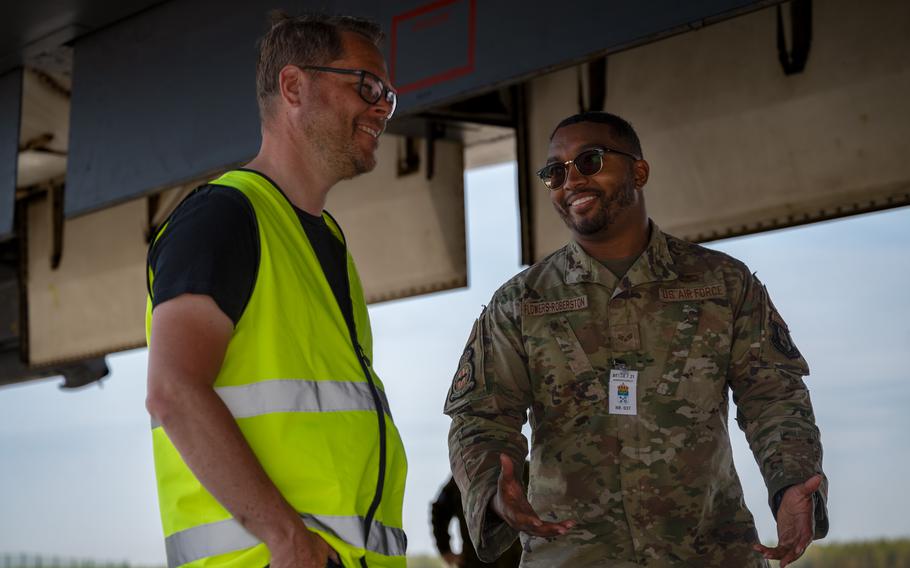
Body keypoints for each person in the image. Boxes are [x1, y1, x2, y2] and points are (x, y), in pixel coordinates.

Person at [444, 111, 828, 568]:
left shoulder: (722, 284)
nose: (571, 181)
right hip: (574, 557)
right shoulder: (521, 303)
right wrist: (494, 490)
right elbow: (479, 415)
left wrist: (791, 483)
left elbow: (774, 395)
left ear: (639, 171)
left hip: (709, 555)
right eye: (555, 172)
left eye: (589, 161)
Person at [145, 12, 407, 568]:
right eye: (367, 85)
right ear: (293, 86)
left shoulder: (326, 239)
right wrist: (287, 539)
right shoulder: (222, 217)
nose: (384, 105)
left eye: (387, 93)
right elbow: (172, 390)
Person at [432, 475, 523, 568]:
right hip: (474, 562)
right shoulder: (465, 473)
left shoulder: (526, 471)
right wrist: (445, 549)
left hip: (515, 562)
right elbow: (439, 510)